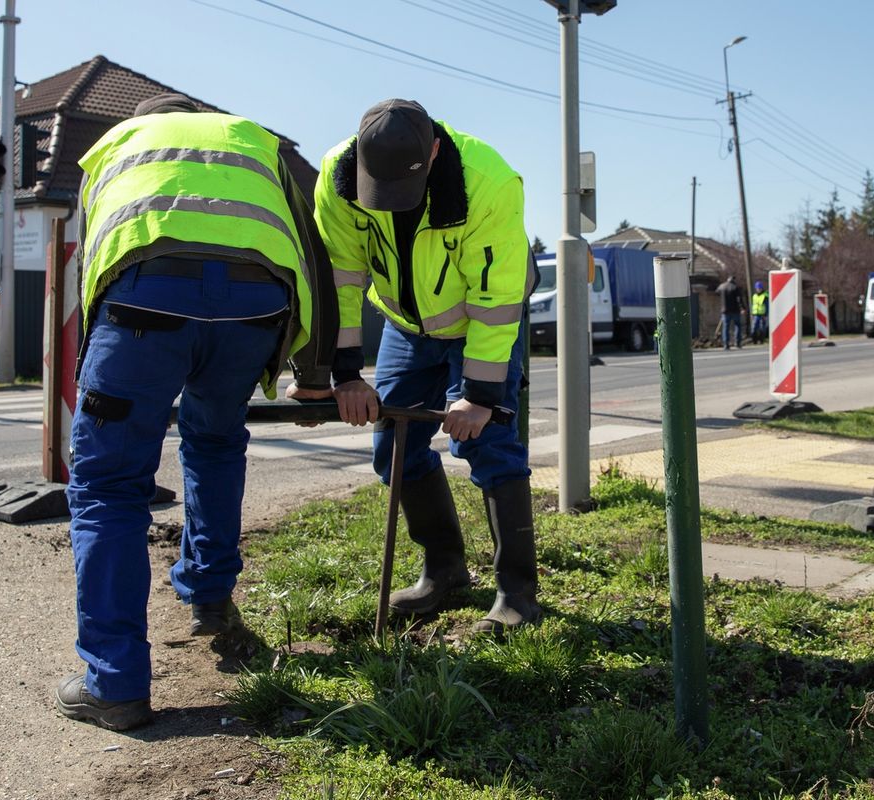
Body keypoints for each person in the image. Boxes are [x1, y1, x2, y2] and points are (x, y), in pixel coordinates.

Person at [55, 93, 336, 730]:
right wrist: (314, 374)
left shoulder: (117, 145)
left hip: (145, 307)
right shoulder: (254, 139)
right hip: (254, 309)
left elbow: (94, 263)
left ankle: (115, 684)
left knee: (107, 487)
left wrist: (91, 379)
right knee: (213, 442)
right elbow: (310, 252)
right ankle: (211, 601)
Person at [290, 99, 540, 635]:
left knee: (488, 443)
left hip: (482, 323)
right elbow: (340, 280)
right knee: (394, 447)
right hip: (406, 325)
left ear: (432, 152)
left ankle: (518, 593)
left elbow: (496, 304)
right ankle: (445, 569)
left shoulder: (488, 182)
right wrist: (347, 374)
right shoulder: (337, 180)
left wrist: (479, 395)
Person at [715, 276, 744, 349]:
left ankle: (726, 344)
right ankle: (737, 342)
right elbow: (739, 299)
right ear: (733, 280)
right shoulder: (735, 287)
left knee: (726, 327)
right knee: (737, 326)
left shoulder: (721, 286)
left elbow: (716, 293)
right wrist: (742, 308)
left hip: (725, 311)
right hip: (735, 310)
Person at [750, 279, 769, 344]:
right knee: (754, 328)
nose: (758, 289)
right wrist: (752, 313)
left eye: (759, 288)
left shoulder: (765, 296)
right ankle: (754, 340)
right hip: (755, 314)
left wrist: (766, 314)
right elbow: (753, 305)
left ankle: (761, 340)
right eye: (757, 288)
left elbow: (767, 305)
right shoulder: (754, 296)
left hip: (762, 314)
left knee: (762, 328)